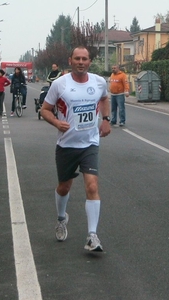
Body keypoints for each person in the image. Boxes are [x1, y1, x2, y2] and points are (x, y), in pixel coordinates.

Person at [40, 46, 111, 252]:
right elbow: (45, 110)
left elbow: (104, 98)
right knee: (64, 187)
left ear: (89, 61)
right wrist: (56, 123)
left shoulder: (98, 82)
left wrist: (106, 120)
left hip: (90, 143)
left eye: (85, 59)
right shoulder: (60, 84)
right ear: (70, 61)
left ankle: (92, 236)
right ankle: (62, 218)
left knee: (92, 186)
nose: (81, 62)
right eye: (77, 58)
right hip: (67, 144)